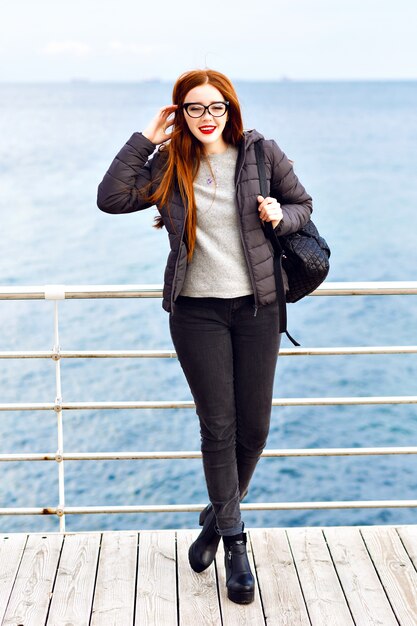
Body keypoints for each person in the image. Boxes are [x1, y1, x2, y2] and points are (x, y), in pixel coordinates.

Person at [97, 68, 312, 605]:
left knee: (255, 429)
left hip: (259, 308)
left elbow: (304, 207)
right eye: (194, 108)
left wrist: (279, 215)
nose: (207, 117)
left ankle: (215, 521)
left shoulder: (262, 155)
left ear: (230, 109)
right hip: (196, 314)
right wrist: (146, 138)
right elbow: (111, 197)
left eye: (215, 107)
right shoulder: (169, 163)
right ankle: (236, 546)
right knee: (218, 427)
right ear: (180, 114)